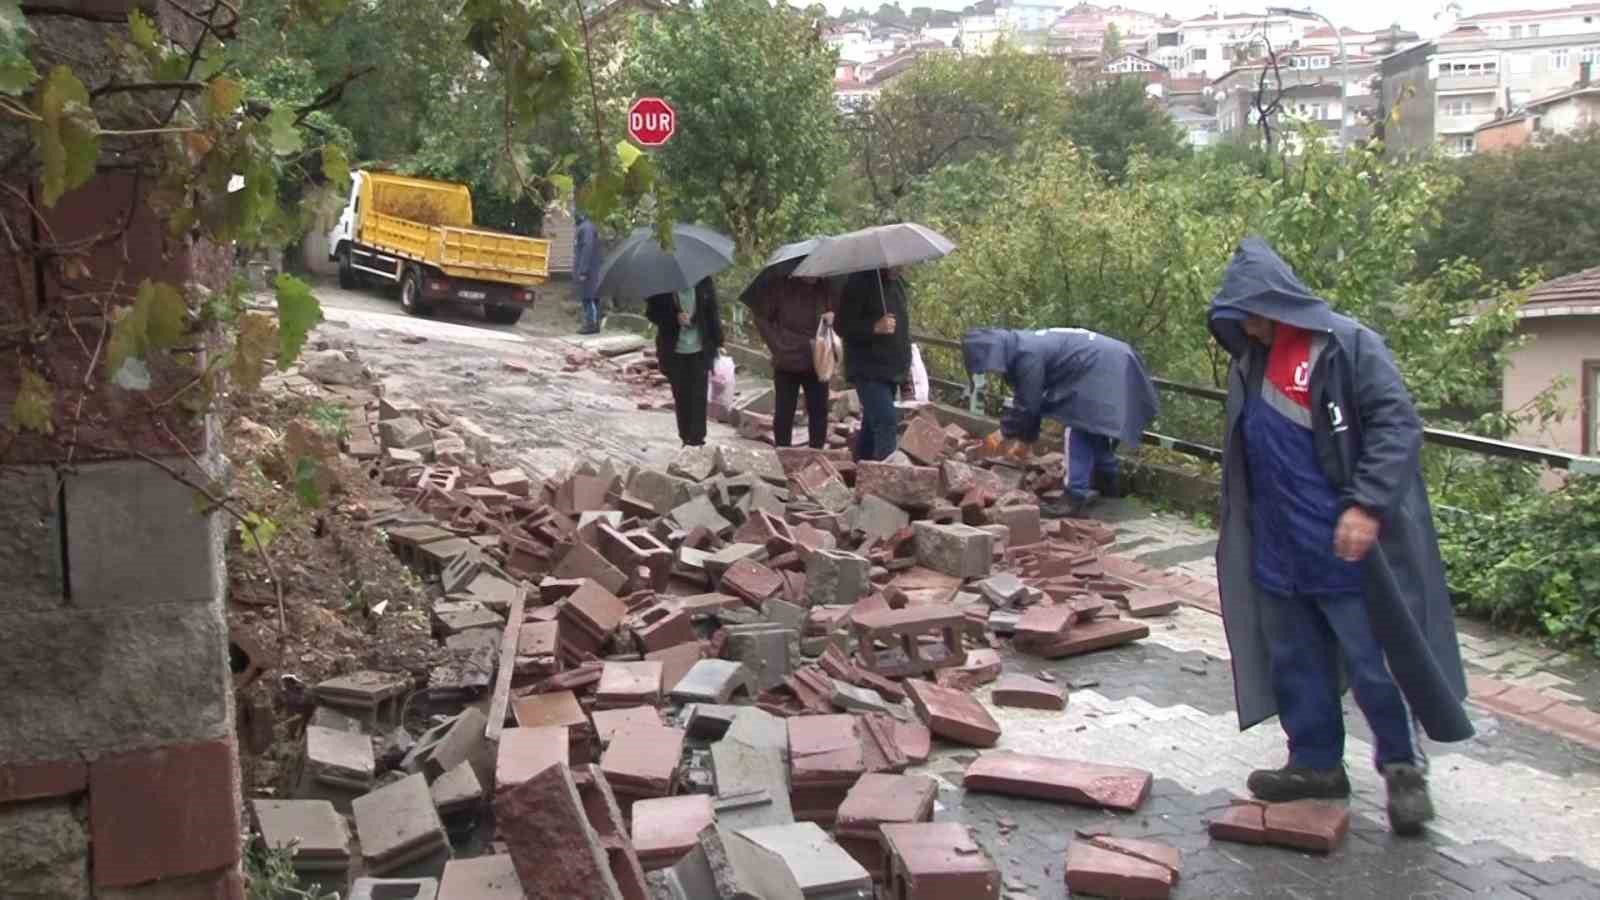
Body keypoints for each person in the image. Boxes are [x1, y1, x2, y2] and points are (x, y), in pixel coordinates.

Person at [1207, 236, 1473, 836]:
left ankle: (1403, 768)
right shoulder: (1251, 361)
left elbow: (1396, 425)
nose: (1244, 324)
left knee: (1374, 663)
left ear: (1274, 304)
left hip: (1344, 546)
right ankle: (1315, 763)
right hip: (1278, 544)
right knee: (1295, 661)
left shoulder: (1347, 346)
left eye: (1249, 311)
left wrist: (1367, 505)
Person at [962, 327, 1158, 519]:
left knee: (1077, 426)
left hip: (1103, 365)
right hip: (1115, 359)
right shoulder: (1024, 345)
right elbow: (1031, 403)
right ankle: (1109, 487)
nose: (992, 370)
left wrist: (1001, 436)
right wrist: (1025, 440)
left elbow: (1029, 405)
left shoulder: (1026, 356)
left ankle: (1073, 498)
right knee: (1093, 428)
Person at [752, 271, 834, 449]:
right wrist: (778, 345)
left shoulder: (826, 287)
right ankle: (783, 453)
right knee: (784, 410)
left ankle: (816, 456)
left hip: (818, 358)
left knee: (819, 410)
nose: (813, 276)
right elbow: (760, 317)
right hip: (787, 360)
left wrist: (832, 318)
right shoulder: (782, 287)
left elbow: (839, 319)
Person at [835, 267, 910, 461]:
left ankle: (859, 468)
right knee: (886, 421)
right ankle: (884, 480)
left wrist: (906, 370)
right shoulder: (858, 281)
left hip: (891, 368)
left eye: (904, 264)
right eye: (898, 264)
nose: (902, 268)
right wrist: (874, 327)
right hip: (867, 368)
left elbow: (903, 330)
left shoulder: (898, 283)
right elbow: (842, 325)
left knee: (871, 423)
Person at [647, 277, 723, 447]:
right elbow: (652, 314)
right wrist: (674, 318)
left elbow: (712, 313)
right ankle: (685, 437)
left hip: (700, 350)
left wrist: (718, 342)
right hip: (675, 351)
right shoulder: (663, 286)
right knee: (681, 396)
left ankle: (697, 439)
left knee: (699, 395)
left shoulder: (704, 283)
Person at [573, 213, 601, 335]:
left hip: (588, 270)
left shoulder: (586, 228)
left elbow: (586, 249)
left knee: (588, 298)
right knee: (591, 297)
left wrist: (583, 270)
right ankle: (593, 324)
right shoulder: (587, 227)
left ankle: (591, 325)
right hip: (591, 269)